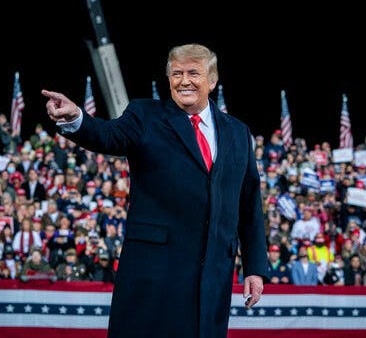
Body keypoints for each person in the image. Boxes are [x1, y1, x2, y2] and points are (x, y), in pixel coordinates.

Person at [42, 43, 268, 338]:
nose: (184, 80)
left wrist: (254, 267)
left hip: (212, 276)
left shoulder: (238, 132)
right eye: (176, 73)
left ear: (212, 81)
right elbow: (108, 136)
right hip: (154, 272)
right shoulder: (145, 115)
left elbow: (248, 202)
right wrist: (76, 119)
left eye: (193, 73)